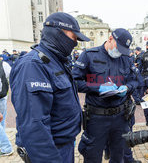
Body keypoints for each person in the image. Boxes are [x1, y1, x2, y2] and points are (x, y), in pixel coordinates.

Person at [10, 12, 90, 162]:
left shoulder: (56, 61)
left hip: (63, 143)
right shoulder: (33, 65)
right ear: (58, 34)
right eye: (73, 37)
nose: (75, 43)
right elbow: (35, 125)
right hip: (51, 149)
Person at [72, 28, 139, 163]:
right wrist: (98, 88)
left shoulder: (126, 58)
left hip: (121, 117)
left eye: (123, 50)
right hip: (97, 117)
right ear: (110, 39)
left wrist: (127, 87)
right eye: (118, 48)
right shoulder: (89, 55)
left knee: (119, 155)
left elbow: (135, 80)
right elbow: (75, 81)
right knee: (92, 156)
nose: (119, 52)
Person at [0, 60, 13, 157]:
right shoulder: (4, 64)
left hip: (2, 97)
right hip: (3, 96)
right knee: (1, 123)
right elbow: (12, 76)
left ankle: (6, 148)